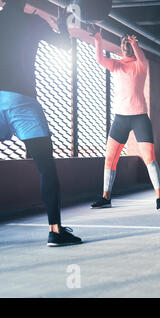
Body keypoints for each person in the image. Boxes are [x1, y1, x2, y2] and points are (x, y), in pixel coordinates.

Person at [0, 0, 81, 246]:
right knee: (46, 167)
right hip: (21, 100)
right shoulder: (33, 21)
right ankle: (55, 231)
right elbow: (66, 47)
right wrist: (62, 25)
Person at [90, 30, 160, 210]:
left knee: (150, 158)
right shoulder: (116, 65)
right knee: (110, 158)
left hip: (139, 117)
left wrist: (134, 43)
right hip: (120, 118)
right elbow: (100, 59)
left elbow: (140, 56)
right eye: (123, 43)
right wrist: (98, 40)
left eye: (128, 43)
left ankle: (159, 198)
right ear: (120, 47)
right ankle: (106, 197)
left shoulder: (141, 65)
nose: (126, 45)